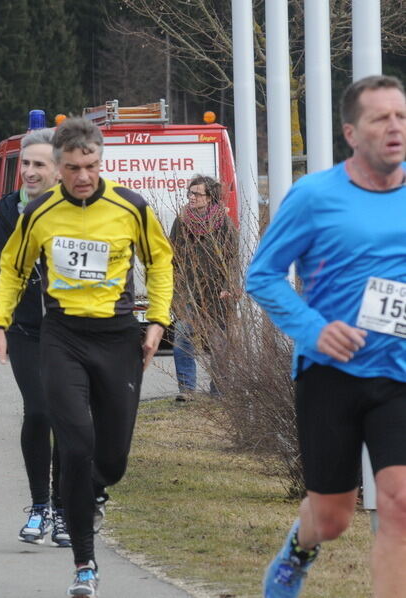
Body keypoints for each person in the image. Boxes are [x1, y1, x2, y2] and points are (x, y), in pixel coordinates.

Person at [0, 117, 173, 597]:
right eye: (72, 168)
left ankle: (91, 492)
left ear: (100, 162)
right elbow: (12, 268)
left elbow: (161, 261)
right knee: (74, 441)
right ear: (59, 167)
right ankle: (83, 563)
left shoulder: (130, 207)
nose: (83, 176)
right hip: (62, 335)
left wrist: (157, 322)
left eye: (90, 166)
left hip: (117, 338)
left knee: (112, 458)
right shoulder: (39, 213)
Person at [247, 75, 406, 598]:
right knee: (333, 517)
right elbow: (263, 275)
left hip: (400, 374)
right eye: (380, 119)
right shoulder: (314, 196)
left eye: (401, 116)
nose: (395, 128)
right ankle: (299, 549)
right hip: (329, 374)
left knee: (399, 504)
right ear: (351, 133)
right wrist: (315, 329)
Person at [0, 127, 68, 547]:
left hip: (71, 328)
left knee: (69, 416)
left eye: (38, 165)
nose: (29, 172)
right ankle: (39, 506)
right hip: (25, 328)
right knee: (40, 409)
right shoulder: (6, 209)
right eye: (25, 164)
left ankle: (65, 509)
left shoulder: (75, 209)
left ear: (59, 169)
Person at [169, 175, 237, 401]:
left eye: (197, 194)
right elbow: (173, 257)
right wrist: (175, 290)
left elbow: (233, 259)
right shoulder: (181, 222)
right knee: (181, 338)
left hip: (217, 293)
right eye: (190, 193)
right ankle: (186, 389)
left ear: (210, 197)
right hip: (188, 292)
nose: (192, 197)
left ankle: (219, 390)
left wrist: (229, 286)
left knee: (219, 343)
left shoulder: (223, 223)